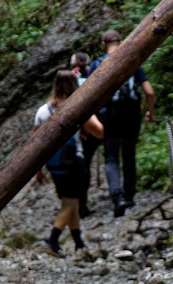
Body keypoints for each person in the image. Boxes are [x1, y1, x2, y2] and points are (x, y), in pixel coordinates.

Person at [33, 70, 104, 256]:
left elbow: (34, 144)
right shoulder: (77, 107)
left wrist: (38, 171)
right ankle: (52, 240)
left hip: (54, 166)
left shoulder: (42, 111)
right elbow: (99, 131)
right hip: (74, 164)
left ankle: (79, 243)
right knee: (69, 204)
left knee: (69, 202)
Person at [87, 29, 155, 217]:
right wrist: (150, 111)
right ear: (121, 41)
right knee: (129, 153)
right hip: (131, 116)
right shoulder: (132, 61)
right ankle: (130, 195)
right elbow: (149, 92)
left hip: (108, 116)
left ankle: (118, 198)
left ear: (103, 44)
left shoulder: (97, 64)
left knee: (111, 157)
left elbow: (87, 95)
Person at [70, 51, 98, 218]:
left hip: (83, 127)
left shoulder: (75, 79)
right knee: (84, 166)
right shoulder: (94, 74)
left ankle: (79, 203)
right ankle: (81, 203)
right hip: (91, 124)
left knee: (81, 167)